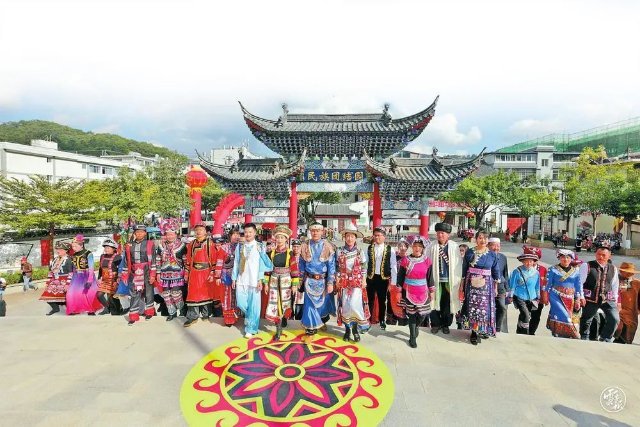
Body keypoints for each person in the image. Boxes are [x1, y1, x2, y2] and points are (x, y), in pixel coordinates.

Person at [232, 223, 273, 338]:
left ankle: (251, 328)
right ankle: (249, 317)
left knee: (254, 305)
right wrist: (234, 278)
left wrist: (260, 279)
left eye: (250, 232)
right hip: (241, 279)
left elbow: (262, 264)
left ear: (255, 233)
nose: (248, 234)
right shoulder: (240, 246)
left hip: (254, 280)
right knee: (240, 303)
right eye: (246, 232)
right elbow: (236, 262)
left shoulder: (260, 246)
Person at [460, 230, 501, 345]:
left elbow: (496, 271)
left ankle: (483, 329)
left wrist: (495, 287)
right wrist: (462, 285)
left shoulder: (492, 254)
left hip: (486, 286)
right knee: (472, 307)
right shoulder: (470, 252)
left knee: (485, 309)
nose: (483, 240)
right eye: (480, 238)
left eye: (485, 238)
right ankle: (473, 332)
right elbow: (464, 269)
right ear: (476, 239)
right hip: (472, 284)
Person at [298, 222, 336, 343]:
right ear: (310, 232)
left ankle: (321, 322)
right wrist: (299, 281)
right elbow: (301, 265)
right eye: (313, 231)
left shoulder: (328, 246)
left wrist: (330, 282)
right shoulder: (304, 245)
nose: (315, 233)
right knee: (309, 306)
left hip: (323, 281)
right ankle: (310, 331)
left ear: (322, 232)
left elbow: (331, 266)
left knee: (323, 304)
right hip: (309, 280)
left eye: (317, 231)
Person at [397, 235, 434, 348]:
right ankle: (412, 337)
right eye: (415, 246)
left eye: (419, 246)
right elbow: (400, 276)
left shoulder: (427, 260)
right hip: (409, 291)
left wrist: (432, 291)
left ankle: (416, 326)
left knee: (423, 314)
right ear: (411, 247)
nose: (417, 248)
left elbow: (430, 277)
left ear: (422, 248)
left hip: (423, 291)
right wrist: (399, 291)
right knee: (412, 315)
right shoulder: (405, 260)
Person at [579, 242, 620, 342]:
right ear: (595, 254)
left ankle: (605, 337)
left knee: (615, 318)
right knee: (587, 319)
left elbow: (615, 285)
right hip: (591, 297)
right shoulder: (587, 265)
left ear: (609, 256)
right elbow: (579, 283)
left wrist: (615, 300)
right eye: (598, 254)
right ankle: (584, 337)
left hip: (607, 298)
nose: (600, 257)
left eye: (603, 255)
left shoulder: (613, 268)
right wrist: (581, 296)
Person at [335, 223, 370, 342]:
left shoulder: (360, 251)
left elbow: (364, 267)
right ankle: (347, 330)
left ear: (355, 238)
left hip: (357, 283)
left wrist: (364, 280)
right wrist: (337, 279)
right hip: (344, 282)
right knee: (345, 306)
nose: (349, 239)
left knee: (355, 306)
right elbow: (337, 267)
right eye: (347, 236)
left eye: (352, 236)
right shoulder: (339, 251)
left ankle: (355, 330)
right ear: (344, 237)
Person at [264, 225, 299, 341]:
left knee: (285, 303)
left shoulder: (290, 253)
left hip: (286, 281)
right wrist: (266, 283)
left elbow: (294, 269)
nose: (279, 240)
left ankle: (284, 318)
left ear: (286, 239)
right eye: (277, 237)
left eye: (282, 238)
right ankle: (278, 328)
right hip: (274, 281)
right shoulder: (271, 253)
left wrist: (294, 285)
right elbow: (268, 269)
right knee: (275, 303)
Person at [427, 223, 462, 335]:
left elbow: (458, 264)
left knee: (447, 303)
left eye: (442, 233)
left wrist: (458, 280)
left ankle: (446, 324)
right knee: (433, 302)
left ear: (448, 235)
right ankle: (435, 324)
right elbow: (427, 263)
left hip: (449, 281)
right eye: (438, 233)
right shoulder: (431, 246)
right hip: (435, 280)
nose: (440, 235)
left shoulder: (454, 246)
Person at [121, 225, 157, 325]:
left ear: (145, 233)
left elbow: (153, 260)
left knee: (148, 292)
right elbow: (126, 260)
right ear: (134, 233)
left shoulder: (150, 244)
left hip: (147, 270)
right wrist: (125, 274)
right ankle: (133, 315)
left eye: (141, 232)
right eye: (137, 232)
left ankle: (150, 311)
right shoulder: (129, 245)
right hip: (134, 271)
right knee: (134, 293)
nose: (139, 234)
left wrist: (153, 274)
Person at [184, 222, 217, 327]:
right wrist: (186, 272)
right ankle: (192, 316)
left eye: (201, 230)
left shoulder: (210, 244)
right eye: (197, 230)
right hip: (194, 272)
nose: (198, 232)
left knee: (206, 293)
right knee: (192, 294)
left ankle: (206, 314)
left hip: (206, 272)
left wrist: (212, 272)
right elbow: (188, 259)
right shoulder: (191, 244)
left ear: (205, 231)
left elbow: (214, 259)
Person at [363, 226, 397, 330]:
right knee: (370, 300)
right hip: (371, 278)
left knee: (382, 301)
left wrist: (393, 283)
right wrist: (363, 279)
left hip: (383, 279)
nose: (377, 237)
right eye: (375, 235)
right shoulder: (368, 248)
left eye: (379, 235)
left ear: (384, 237)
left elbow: (393, 266)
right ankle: (368, 320)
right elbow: (365, 265)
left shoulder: (390, 249)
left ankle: (382, 320)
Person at [545, 249, 583, 338]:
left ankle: (560, 334)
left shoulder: (576, 271)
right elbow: (547, 285)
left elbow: (578, 287)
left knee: (563, 316)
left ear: (571, 259)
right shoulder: (552, 270)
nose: (565, 259)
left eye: (568, 257)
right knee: (565, 316)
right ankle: (574, 334)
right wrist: (545, 297)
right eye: (563, 257)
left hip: (570, 298)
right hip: (555, 296)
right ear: (559, 258)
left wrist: (578, 299)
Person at [155, 218, 187, 322]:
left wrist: (186, 272)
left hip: (177, 274)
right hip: (164, 274)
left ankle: (182, 310)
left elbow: (185, 260)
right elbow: (158, 260)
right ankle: (172, 313)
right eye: (168, 234)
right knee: (166, 295)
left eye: (172, 234)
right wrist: (158, 273)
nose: (170, 236)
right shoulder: (161, 246)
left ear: (176, 235)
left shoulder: (181, 246)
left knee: (176, 293)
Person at [66, 235, 102, 315]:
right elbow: (73, 268)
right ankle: (74, 309)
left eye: (75, 246)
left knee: (88, 293)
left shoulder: (88, 254)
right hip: (76, 277)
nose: (73, 248)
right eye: (72, 246)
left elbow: (91, 267)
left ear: (81, 245)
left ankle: (91, 310)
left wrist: (90, 280)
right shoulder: (74, 255)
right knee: (71, 293)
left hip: (87, 275)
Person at [509, 248, 541, 335]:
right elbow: (512, 285)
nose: (528, 263)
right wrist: (510, 296)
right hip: (519, 296)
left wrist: (538, 297)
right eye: (526, 261)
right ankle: (525, 332)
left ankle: (519, 331)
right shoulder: (517, 271)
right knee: (526, 315)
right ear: (522, 261)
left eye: (531, 261)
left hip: (531, 298)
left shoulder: (536, 273)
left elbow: (537, 286)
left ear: (533, 262)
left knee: (524, 315)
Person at [39, 241, 74, 315]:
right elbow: (50, 272)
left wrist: (67, 284)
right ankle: (55, 308)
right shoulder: (55, 259)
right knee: (47, 295)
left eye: (60, 249)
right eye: (57, 249)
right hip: (55, 280)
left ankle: (70, 309)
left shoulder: (68, 260)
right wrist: (48, 283)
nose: (58, 251)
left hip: (64, 280)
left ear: (66, 250)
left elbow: (71, 273)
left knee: (65, 296)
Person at [614, 262, 640, 344]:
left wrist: (638, 310)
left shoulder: (637, 283)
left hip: (632, 313)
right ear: (621, 271)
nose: (630, 273)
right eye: (627, 271)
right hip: (618, 311)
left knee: (628, 335)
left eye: (631, 272)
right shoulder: (614, 280)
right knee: (617, 330)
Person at [488, 237, 509, 333]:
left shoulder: (503, 257)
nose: (496, 248)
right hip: (488, 286)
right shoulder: (485, 257)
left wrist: (507, 289)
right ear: (488, 246)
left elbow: (505, 274)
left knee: (502, 307)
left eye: (498, 246)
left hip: (501, 287)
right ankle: (489, 327)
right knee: (489, 308)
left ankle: (498, 328)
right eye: (493, 245)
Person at [220, 230, 241, 327]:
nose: (236, 236)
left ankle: (236, 316)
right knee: (227, 297)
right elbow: (219, 261)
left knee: (237, 297)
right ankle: (228, 319)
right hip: (227, 275)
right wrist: (217, 276)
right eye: (234, 234)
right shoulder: (224, 247)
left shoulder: (242, 247)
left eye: (238, 234)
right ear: (230, 236)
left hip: (239, 276)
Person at [525, 246, 548, 335]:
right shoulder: (521, 269)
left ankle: (531, 333)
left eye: (535, 257)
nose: (533, 260)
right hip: (524, 297)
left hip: (538, 298)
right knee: (524, 315)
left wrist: (546, 297)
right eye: (530, 257)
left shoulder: (543, 269)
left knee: (536, 316)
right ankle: (522, 331)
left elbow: (546, 284)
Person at [96, 239, 122, 315]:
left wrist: (117, 280)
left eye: (108, 248)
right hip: (104, 280)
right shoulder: (102, 256)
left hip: (113, 280)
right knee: (99, 295)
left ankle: (118, 310)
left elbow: (120, 269)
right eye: (105, 247)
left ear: (113, 249)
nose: (106, 249)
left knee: (112, 297)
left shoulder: (118, 257)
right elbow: (100, 268)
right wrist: (99, 278)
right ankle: (107, 308)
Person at [387, 238, 409, 326]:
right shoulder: (393, 258)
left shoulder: (409, 259)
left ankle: (402, 322)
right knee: (391, 302)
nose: (402, 248)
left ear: (407, 248)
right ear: (398, 247)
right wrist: (389, 283)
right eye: (400, 246)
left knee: (402, 303)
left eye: (404, 246)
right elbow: (389, 271)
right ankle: (391, 321)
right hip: (393, 284)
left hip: (405, 285)